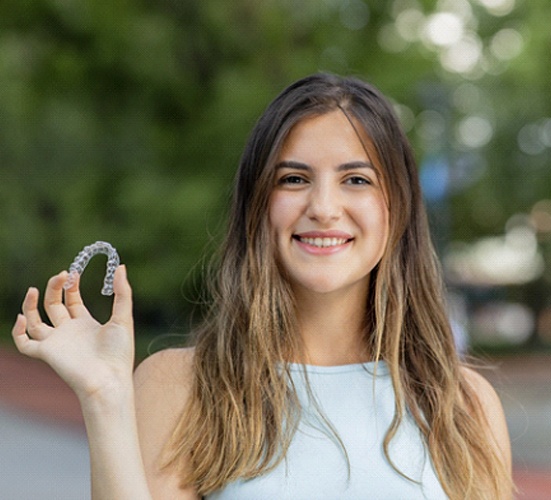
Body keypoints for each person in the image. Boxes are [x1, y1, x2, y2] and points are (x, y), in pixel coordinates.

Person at [12, 73, 513, 499]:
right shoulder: (182, 385)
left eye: (356, 180)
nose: (323, 206)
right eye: (293, 179)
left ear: (397, 207)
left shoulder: (463, 403)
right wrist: (105, 397)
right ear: (258, 205)